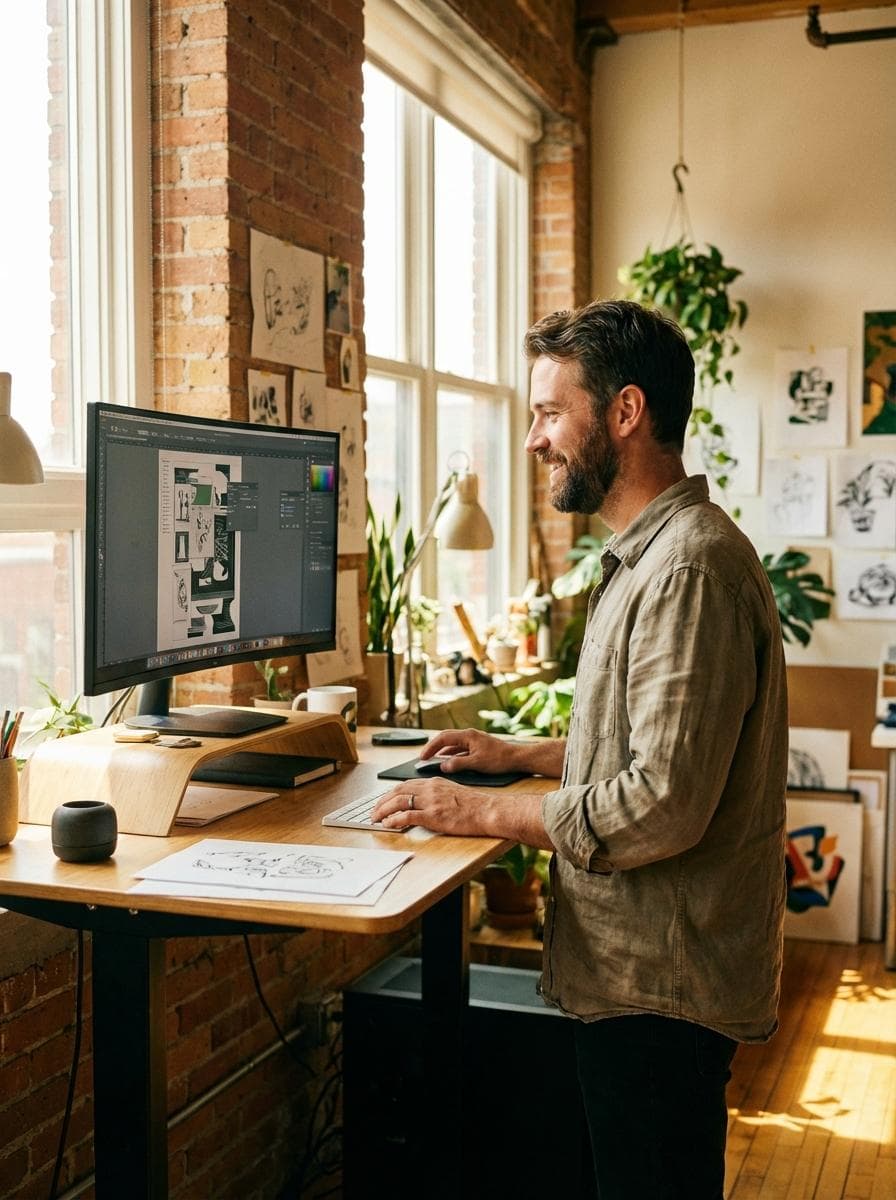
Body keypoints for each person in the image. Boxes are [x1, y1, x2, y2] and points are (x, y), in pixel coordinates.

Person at [372, 299, 788, 1200]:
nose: (533, 440)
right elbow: (649, 740)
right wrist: (514, 753)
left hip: (662, 986)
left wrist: (472, 809)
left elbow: (662, 802)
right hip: (647, 975)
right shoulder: (653, 556)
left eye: (549, 412)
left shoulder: (686, 570)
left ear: (626, 412)